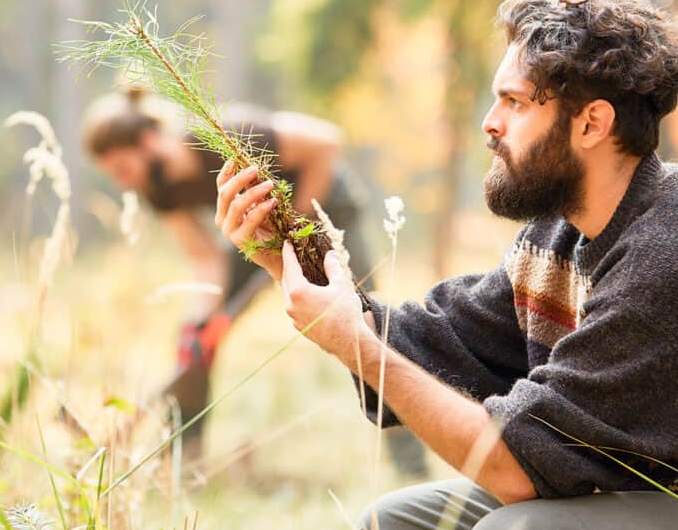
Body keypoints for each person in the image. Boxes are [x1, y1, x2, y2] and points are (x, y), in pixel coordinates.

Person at [216, 0, 678, 530]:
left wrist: (356, 344)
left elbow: (518, 470)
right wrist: (286, 258)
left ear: (592, 122)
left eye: (514, 102)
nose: (490, 123)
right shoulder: (559, 236)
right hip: (645, 502)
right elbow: (435, 344)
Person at [82, 87, 426, 472]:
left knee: (369, 331)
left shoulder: (224, 135)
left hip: (328, 212)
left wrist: (294, 233)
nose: (123, 182)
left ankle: (410, 464)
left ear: (147, 141)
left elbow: (326, 143)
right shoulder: (157, 189)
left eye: (122, 169)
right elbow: (206, 259)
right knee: (195, 340)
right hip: (258, 230)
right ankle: (181, 461)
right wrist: (203, 321)